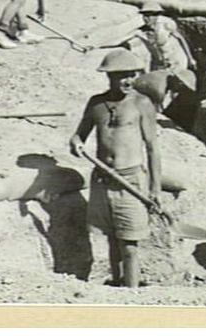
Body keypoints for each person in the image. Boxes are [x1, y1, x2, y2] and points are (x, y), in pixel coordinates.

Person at [69, 49, 162, 288]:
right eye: (122, 75)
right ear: (109, 76)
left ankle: (131, 296)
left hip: (130, 181)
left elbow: (152, 148)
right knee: (112, 239)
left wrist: (155, 189)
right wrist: (76, 142)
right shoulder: (96, 104)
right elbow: (80, 134)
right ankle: (118, 283)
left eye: (132, 74)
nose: (128, 80)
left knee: (129, 245)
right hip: (102, 179)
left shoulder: (142, 103)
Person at [91, 2, 197, 112]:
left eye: (151, 15)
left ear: (157, 15)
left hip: (175, 60)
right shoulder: (141, 31)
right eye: (145, 15)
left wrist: (190, 58)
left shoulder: (166, 25)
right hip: (158, 63)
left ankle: (177, 112)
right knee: (159, 87)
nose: (147, 18)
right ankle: (159, 112)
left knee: (177, 88)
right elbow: (120, 40)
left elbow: (181, 39)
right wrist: (97, 46)